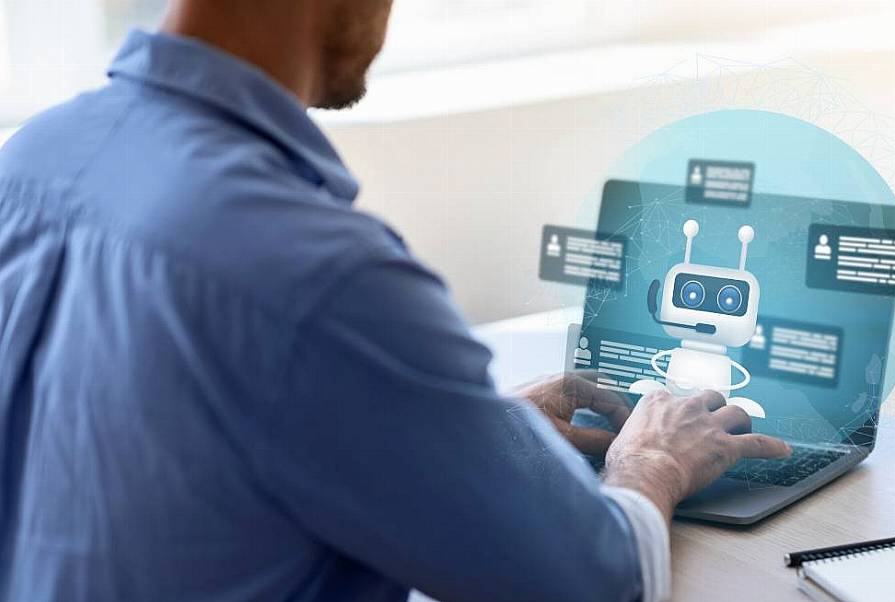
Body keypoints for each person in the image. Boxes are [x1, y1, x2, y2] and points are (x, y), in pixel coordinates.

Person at [0, 1, 790, 600]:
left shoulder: (35, 158)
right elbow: (593, 586)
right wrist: (651, 461)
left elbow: (158, 469)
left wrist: (452, 431)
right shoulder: (322, 278)